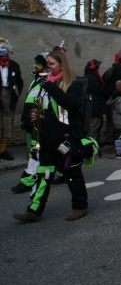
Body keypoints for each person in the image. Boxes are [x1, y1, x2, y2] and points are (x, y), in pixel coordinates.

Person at [13, 51, 89, 222]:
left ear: (62, 65)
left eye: (52, 63)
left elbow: (70, 104)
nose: (48, 66)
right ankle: (34, 210)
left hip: (67, 138)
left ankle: (80, 206)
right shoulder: (44, 85)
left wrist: (50, 86)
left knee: (72, 173)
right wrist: (35, 116)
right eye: (47, 63)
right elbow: (44, 108)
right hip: (47, 138)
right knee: (44, 174)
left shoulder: (72, 84)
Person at [11, 52, 48, 193]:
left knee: (39, 152)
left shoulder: (47, 81)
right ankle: (28, 180)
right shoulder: (36, 79)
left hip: (41, 123)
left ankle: (29, 181)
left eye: (38, 63)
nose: (35, 66)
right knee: (37, 153)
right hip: (33, 122)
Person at [0, 37, 24, 160]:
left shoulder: (14, 65)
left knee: (7, 122)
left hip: (8, 93)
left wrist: (15, 96)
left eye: (4, 50)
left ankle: (2, 149)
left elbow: (20, 82)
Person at [84, 59, 110, 146]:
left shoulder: (89, 76)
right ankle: (92, 145)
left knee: (96, 124)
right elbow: (100, 90)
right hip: (94, 106)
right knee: (94, 126)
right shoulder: (93, 78)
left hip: (94, 105)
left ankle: (95, 143)